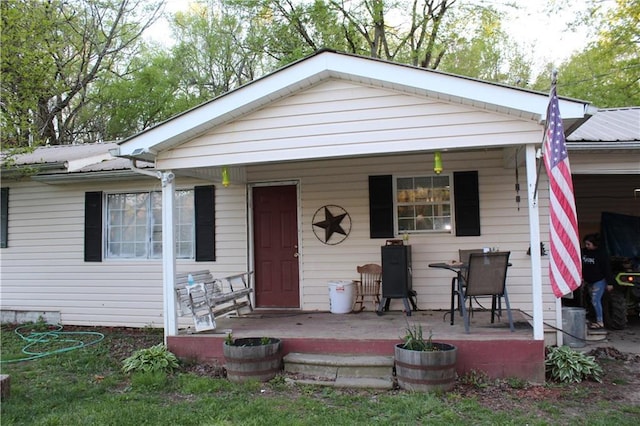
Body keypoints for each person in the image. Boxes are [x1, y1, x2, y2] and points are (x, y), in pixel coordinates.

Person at [581, 233, 614, 329]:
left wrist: (610, 282)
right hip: (588, 281)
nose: (586, 246)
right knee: (591, 301)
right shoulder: (583, 252)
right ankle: (594, 319)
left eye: (589, 244)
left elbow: (607, 269)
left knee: (595, 300)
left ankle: (600, 322)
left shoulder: (601, 254)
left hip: (599, 281)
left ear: (595, 244)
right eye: (585, 244)